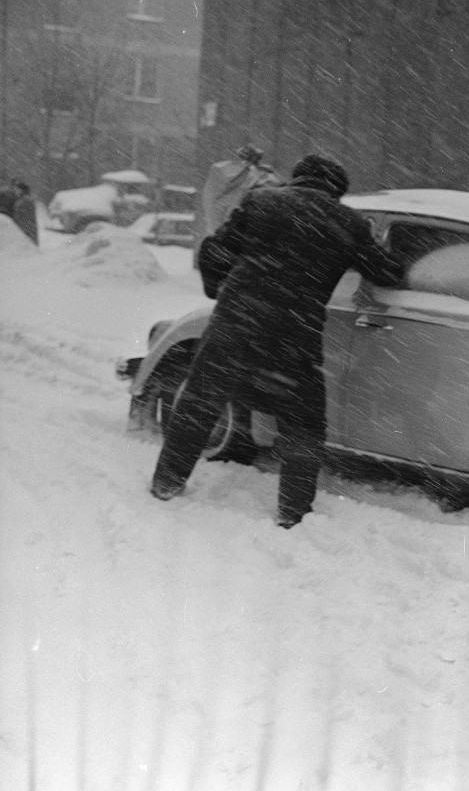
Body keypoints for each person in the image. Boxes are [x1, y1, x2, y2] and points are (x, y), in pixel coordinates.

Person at [149, 154, 403, 528]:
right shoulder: (349, 223)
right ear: (337, 190)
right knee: (304, 428)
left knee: (198, 407)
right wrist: (371, 246)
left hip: (234, 329)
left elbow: (215, 253)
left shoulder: (261, 201)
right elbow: (388, 273)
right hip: (292, 342)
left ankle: (166, 484)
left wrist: (221, 289)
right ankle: (293, 515)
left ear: (298, 178)